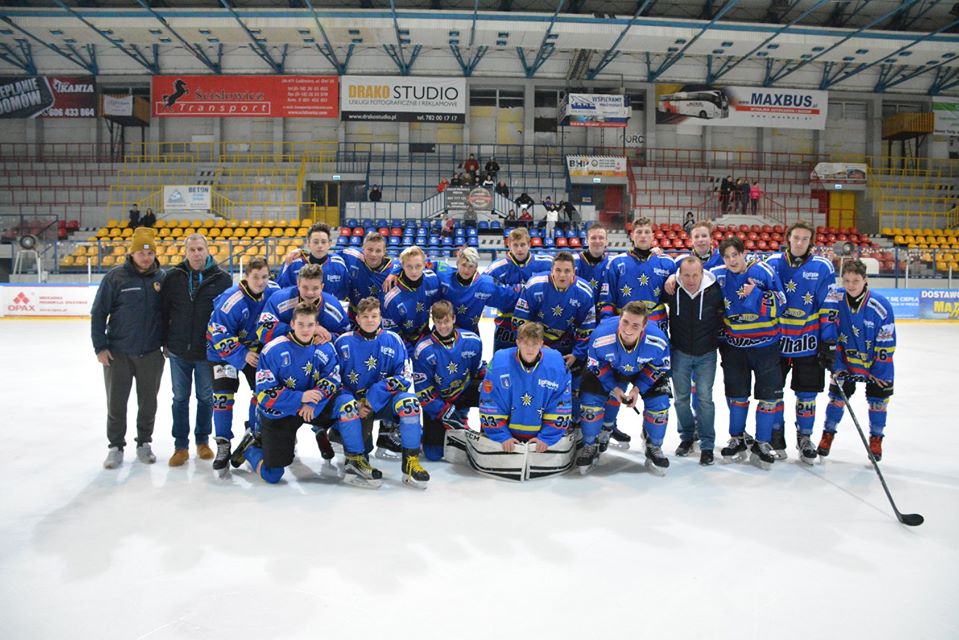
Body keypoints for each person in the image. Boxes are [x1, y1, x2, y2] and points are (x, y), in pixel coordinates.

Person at [231, 302, 382, 487]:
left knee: (347, 404)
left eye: (310, 325)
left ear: (316, 325)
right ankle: (251, 449)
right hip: (283, 410)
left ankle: (356, 460)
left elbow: (333, 379)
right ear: (292, 324)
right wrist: (301, 398)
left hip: (314, 405)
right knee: (273, 475)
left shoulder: (325, 348)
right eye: (300, 324)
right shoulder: (273, 350)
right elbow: (264, 394)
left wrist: (313, 401)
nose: (305, 329)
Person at [91, 226, 166, 469]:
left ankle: (144, 443)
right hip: (118, 354)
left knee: (148, 403)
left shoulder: (162, 278)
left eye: (150, 253)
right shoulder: (115, 277)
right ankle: (115, 447)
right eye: (141, 253)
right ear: (132, 253)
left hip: (151, 353)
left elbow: (169, 314)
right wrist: (100, 347)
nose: (146, 257)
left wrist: (167, 344)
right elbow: (98, 313)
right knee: (116, 403)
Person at [764, 221, 839, 463]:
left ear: (811, 242)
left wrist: (828, 341)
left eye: (805, 239)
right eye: (796, 237)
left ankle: (805, 437)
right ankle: (776, 437)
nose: (799, 242)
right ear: (788, 238)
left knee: (807, 395)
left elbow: (829, 305)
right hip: (777, 343)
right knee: (773, 394)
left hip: (808, 343)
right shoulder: (772, 263)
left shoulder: (823, 267)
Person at [335, 297, 430, 487]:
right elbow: (335, 381)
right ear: (357, 318)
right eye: (365, 316)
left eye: (374, 316)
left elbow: (405, 377)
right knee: (347, 407)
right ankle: (354, 459)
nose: (370, 320)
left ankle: (411, 461)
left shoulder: (393, 340)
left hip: (383, 401)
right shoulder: (343, 342)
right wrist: (358, 403)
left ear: (380, 317)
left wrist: (374, 396)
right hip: (356, 405)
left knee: (410, 403)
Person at [713, 237, 786, 470]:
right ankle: (737, 437)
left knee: (768, 397)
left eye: (735, 255)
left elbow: (782, 303)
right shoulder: (718, 275)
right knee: (737, 396)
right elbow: (691, 276)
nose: (732, 260)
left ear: (744, 253)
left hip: (766, 347)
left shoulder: (763, 271)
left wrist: (756, 295)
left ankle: (762, 442)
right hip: (735, 348)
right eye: (727, 257)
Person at [160, 233, 231, 467]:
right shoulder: (173, 276)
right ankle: (180, 446)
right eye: (192, 250)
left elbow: (226, 317)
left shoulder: (222, 279)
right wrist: (164, 341)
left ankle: (202, 441)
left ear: (208, 250)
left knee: (205, 398)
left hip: (206, 352)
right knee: (180, 398)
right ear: (185, 252)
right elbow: (164, 311)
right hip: (178, 350)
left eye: (200, 249)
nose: (196, 253)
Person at [578, 302, 672, 474]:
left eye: (635, 325)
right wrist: (614, 388)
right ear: (619, 319)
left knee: (660, 404)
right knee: (589, 401)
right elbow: (596, 365)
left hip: (644, 369)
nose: (628, 329)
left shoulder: (658, 340)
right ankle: (590, 443)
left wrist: (637, 388)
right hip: (610, 367)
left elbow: (660, 367)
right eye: (625, 322)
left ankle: (654, 444)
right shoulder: (600, 336)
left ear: (644, 326)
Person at [817, 259, 896, 462]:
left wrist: (879, 372)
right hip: (846, 363)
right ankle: (828, 434)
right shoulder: (836, 298)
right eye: (846, 281)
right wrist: (837, 365)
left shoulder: (880, 305)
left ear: (865, 280)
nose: (850, 285)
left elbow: (886, 342)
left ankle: (876, 439)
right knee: (836, 399)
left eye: (855, 281)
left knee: (878, 403)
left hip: (875, 364)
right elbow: (829, 332)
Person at [206, 256, 275, 475]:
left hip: (253, 352)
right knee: (222, 398)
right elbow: (218, 333)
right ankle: (223, 443)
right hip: (223, 352)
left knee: (262, 392)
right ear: (246, 276)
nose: (260, 282)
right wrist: (242, 355)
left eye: (264, 276)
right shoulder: (231, 300)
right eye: (256, 277)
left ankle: (254, 433)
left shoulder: (273, 292)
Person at [663, 256, 724, 465]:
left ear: (702, 273)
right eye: (686, 275)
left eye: (695, 275)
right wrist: (670, 278)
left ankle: (707, 445)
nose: (690, 280)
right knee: (681, 398)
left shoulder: (714, 290)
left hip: (707, 353)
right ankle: (687, 437)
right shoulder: (672, 289)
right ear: (679, 274)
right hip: (680, 352)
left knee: (705, 399)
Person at [479, 322, 572, 453]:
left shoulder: (557, 365)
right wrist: (502, 436)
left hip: (541, 441)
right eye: (526, 343)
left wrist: (546, 438)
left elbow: (561, 403)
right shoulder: (499, 362)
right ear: (517, 343)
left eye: (534, 344)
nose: (530, 349)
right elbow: (490, 400)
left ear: (541, 344)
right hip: (506, 440)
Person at [413, 301, 486, 461]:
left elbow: (478, 370)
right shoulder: (423, 350)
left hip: (463, 392)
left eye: (446, 321)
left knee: (490, 390)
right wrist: (445, 412)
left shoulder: (472, 341)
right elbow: (424, 392)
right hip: (439, 400)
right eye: (438, 322)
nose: (442, 326)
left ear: (453, 319)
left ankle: (489, 435)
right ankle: (424, 434)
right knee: (433, 454)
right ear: (433, 321)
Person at [512, 251, 596, 371]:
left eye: (567, 271)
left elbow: (587, 328)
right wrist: (537, 346)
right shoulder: (534, 285)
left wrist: (576, 354)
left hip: (566, 347)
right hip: (534, 344)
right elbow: (519, 321)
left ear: (574, 271)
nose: (562, 275)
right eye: (558, 270)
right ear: (552, 270)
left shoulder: (585, 293)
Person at [484, 227, 552, 350]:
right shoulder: (495, 269)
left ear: (529, 244)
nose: (519, 249)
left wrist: (511, 291)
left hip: (537, 324)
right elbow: (485, 293)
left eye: (522, 244)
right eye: (515, 245)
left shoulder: (547, 264)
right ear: (509, 245)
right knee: (504, 358)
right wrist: (526, 291)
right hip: (506, 327)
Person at [256, 263, 349, 348]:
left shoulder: (334, 307)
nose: (310, 293)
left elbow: (347, 338)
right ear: (298, 284)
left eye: (315, 288)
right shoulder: (279, 300)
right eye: (305, 287)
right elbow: (261, 330)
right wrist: (301, 330)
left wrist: (331, 337)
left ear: (322, 287)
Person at [439, 247, 520, 335]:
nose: (466, 270)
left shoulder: (485, 284)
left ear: (476, 267)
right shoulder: (444, 276)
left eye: (471, 266)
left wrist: (526, 289)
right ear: (457, 263)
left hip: (470, 336)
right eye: (463, 265)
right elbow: (428, 265)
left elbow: (509, 296)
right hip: (442, 331)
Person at [382, 245, 441, 351]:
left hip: (425, 337)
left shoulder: (432, 279)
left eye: (418, 266)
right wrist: (410, 352)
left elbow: (439, 310)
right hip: (401, 343)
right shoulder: (390, 296)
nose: (414, 271)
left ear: (424, 265)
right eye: (409, 266)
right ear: (402, 266)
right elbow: (392, 334)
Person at [276, 222, 350, 300]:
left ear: (329, 244)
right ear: (308, 243)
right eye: (315, 242)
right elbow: (279, 289)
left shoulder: (339, 265)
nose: (320, 245)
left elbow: (345, 293)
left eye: (323, 242)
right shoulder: (293, 264)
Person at [341, 232, 398, 321]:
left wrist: (395, 272)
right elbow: (331, 256)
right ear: (363, 249)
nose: (373, 254)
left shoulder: (393, 269)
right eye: (370, 250)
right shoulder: (352, 256)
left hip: (379, 320)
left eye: (378, 251)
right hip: (353, 317)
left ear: (384, 252)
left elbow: (408, 261)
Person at [573, 223, 612, 313]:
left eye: (601, 238)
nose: (597, 241)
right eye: (593, 238)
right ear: (587, 240)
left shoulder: (612, 263)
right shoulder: (574, 262)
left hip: (605, 313)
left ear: (606, 241)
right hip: (579, 312)